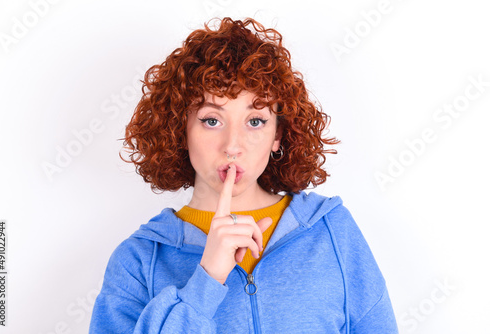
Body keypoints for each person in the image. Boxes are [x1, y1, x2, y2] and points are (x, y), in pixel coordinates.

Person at [89, 17, 398, 333]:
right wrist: (207, 280)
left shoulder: (333, 231)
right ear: (181, 130)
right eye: (212, 120)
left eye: (255, 121)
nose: (232, 146)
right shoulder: (138, 261)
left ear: (278, 135)